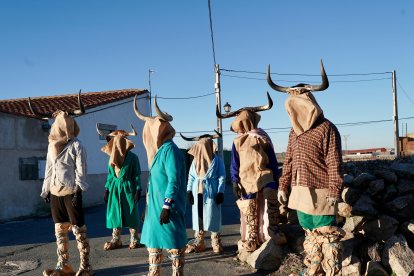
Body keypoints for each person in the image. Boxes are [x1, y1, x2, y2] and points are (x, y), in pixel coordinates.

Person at [267, 60, 345, 276]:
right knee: (310, 236)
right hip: (300, 192)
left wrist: (334, 190)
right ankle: (314, 271)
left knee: (327, 236)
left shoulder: (326, 128)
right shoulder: (294, 133)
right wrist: (283, 186)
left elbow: (334, 161)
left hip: (321, 193)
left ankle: (330, 272)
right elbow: (289, 161)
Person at [30, 91, 94, 276]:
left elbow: (82, 168)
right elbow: (49, 169)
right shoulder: (51, 146)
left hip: (71, 190)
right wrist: (46, 190)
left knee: (78, 230)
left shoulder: (76, 145)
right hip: (55, 191)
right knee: (60, 229)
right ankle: (63, 265)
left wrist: (79, 188)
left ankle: (86, 266)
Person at [217, 93, 286, 256]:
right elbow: (235, 163)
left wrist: (276, 178)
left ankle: (273, 231)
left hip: (265, 175)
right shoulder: (237, 141)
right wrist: (234, 181)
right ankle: (252, 237)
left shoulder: (262, 136)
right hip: (247, 179)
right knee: (250, 208)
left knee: (271, 202)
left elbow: (272, 159)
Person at [133, 96, 187, 276]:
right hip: (154, 210)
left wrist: (167, 205)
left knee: (174, 248)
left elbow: (174, 180)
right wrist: (147, 208)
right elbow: (152, 182)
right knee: (154, 249)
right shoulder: (158, 153)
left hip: (167, 210)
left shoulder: (170, 150)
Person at [97, 125, 143, 251]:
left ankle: (134, 238)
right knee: (115, 213)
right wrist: (107, 189)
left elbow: (137, 174)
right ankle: (116, 238)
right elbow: (110, 175)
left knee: (131, 212)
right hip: (114, 188)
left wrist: (138, 189)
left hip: (128, 186)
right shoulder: (112, 157)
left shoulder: (133, 158)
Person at [180, 131, 226, 254]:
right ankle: (199, 241)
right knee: (199, 216)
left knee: (213, 216)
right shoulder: (195, 162)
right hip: (197, 191)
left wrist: (220, 192)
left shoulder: (217, 160)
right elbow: (191, 177)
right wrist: (189, 191)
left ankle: (216, 241)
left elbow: (222, 176)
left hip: (212, 191)